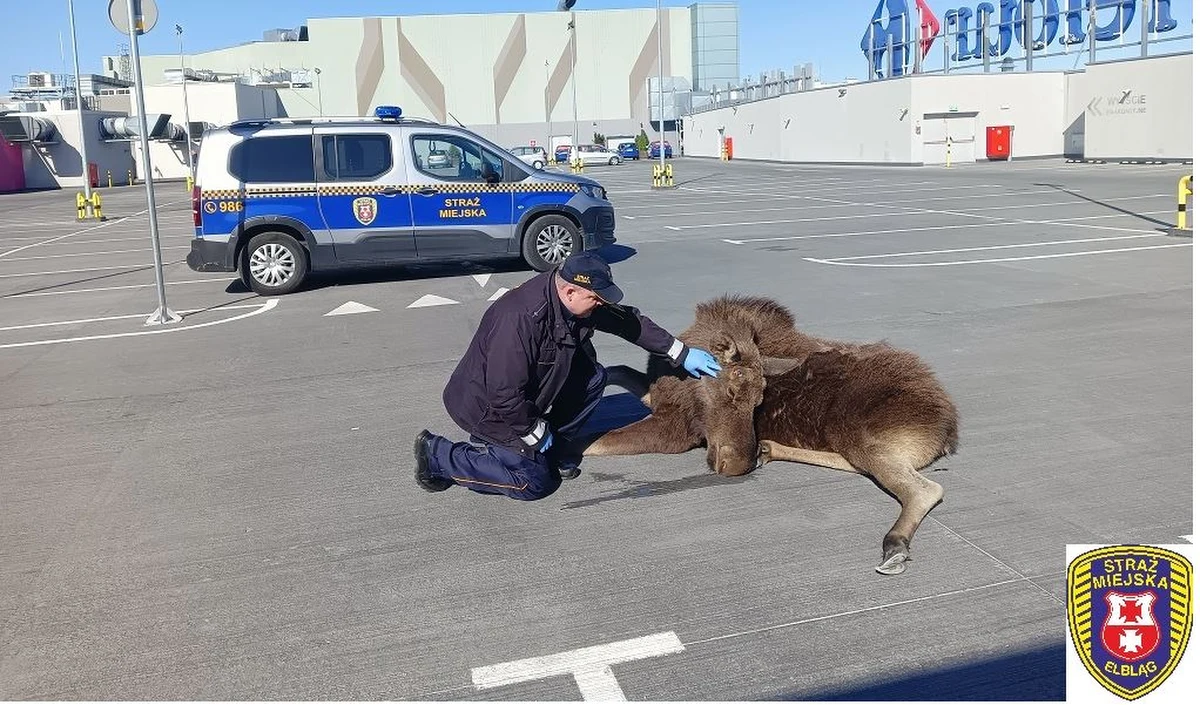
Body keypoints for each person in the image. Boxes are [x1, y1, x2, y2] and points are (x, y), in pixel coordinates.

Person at [412, 251, 722, 500]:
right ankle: (438, 456)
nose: (600, 306)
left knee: (591, 378)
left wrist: (678, 351)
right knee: (534, 483)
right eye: (596, 300)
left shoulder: (576, 299)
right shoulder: (520, 319)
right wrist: (531, 429)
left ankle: (554, 446)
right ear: (571, 290)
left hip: (525, 393)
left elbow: (629, 322)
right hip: (488, 409)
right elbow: (503, 393)